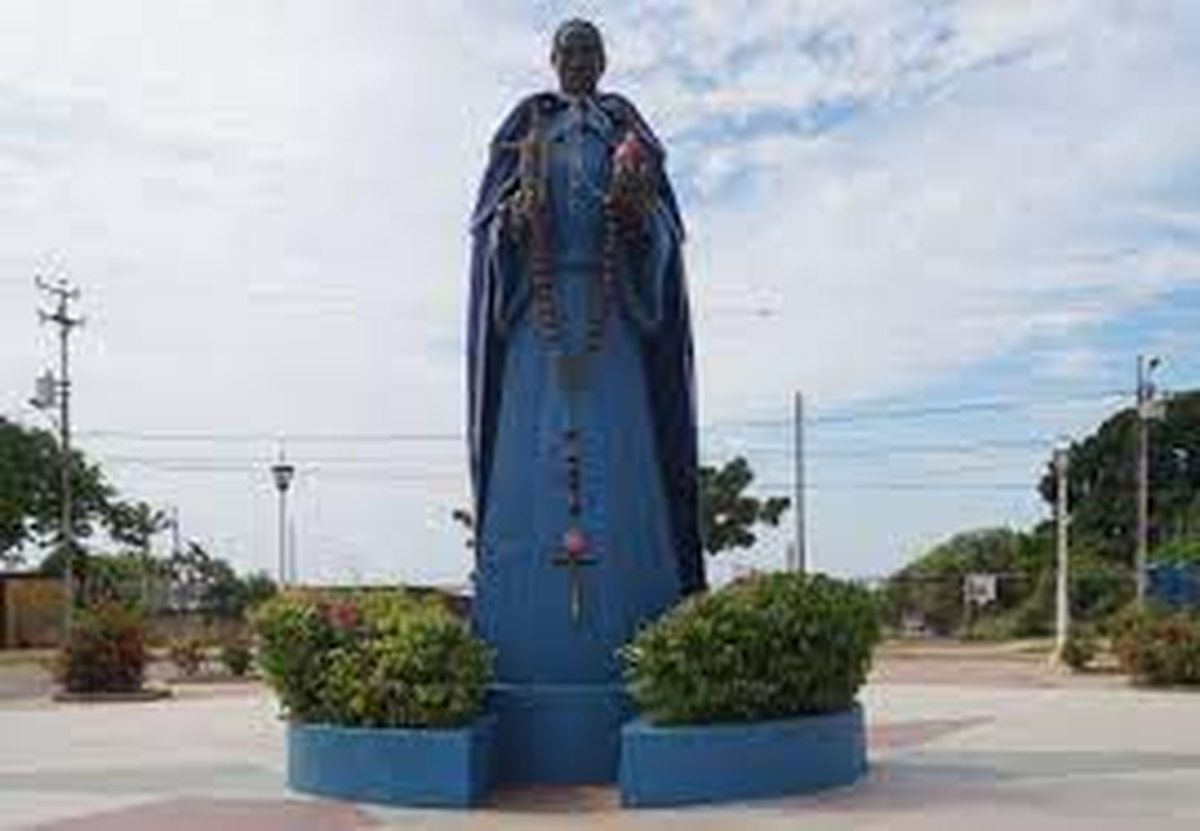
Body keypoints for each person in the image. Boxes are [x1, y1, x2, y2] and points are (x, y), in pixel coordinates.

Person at [467, 19, 703, 683]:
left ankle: (647, 623)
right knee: (528, 466)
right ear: (551, 60)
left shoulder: (628, 135)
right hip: (534, 332)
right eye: (568, 50)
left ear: (604, 61)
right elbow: (489, 229)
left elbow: (664, 231)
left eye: (589, 51)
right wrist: (515, 221)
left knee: (625, 459)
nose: (578, 60)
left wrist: (639, 217)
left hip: (614, 321)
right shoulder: (526, 130)